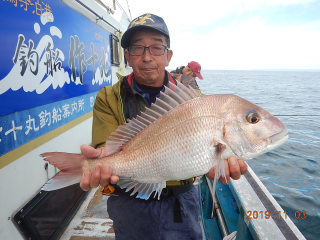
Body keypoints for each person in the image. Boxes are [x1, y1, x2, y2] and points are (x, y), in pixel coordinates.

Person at [79, 13, 247, 240]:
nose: (147, 57)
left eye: (157, 48)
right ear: (127, 56)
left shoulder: (194, 101)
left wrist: (217, 164)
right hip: (130, 203)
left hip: (181, 202)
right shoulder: (108, 97)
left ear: (168, 56)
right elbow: (106, 145)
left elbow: (208, 156)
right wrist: (101, 161)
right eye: (137, 48)